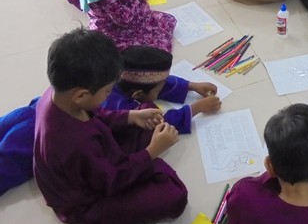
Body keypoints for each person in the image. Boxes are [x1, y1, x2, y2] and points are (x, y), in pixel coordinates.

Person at [0, 44, 221, 196]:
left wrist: (190, 86)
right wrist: (195, 108)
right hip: (33, 136)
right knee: (7, 162)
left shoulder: (107, 75)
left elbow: (156, 82)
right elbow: (157, 121)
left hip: (37, 109)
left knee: (6, 124)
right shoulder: (105, 104)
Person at [33, 28, 188, 224]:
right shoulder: (76, 142)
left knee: (147, 114)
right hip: (91, 204)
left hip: (98, 160)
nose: (109, 95)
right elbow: (111, 180)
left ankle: (139, 163)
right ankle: (141, 166)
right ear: (81, 95)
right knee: (174, 195)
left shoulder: (58, 94)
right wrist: (151, 152)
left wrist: (130, 116)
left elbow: (98, 114)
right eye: (107, 91)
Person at [103, 45, 222, 134]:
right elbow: (161, 123)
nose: (161, 90)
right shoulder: (121, 109)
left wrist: (191, 86)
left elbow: (159, 83)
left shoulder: (124, 80)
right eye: (157, 91)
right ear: (137, 95)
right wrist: (197, 108)